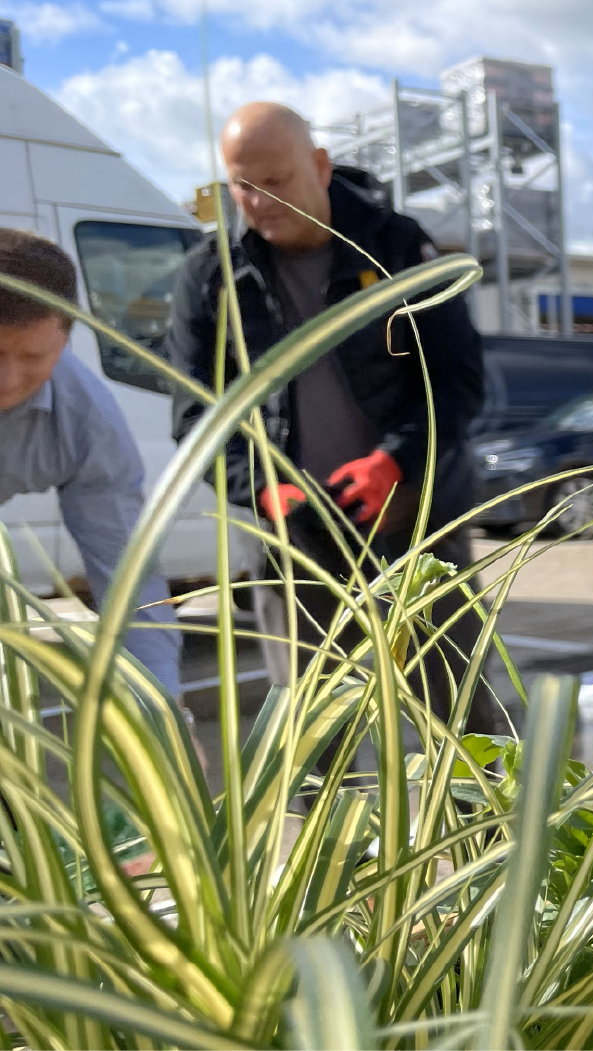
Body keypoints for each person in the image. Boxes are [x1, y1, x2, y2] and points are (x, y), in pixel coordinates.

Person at [167, 102, 502, 737]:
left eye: (276, 181)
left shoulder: (398, 246)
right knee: (312, 722)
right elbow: (195, 419)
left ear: (319, 167)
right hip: (291, 533)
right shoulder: (209, 277)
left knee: (455, 705)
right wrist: (260, 488)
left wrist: (398, 460)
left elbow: (458, 382)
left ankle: (477, 832)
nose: (258, 202)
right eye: (241, 184)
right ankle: (328, 834)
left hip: (413, 514)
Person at [0, 228, 180, 698]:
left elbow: (130, 584)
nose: (7, 380)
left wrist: (165, 721)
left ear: (65, 341)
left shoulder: (86, 419)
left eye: (32, 357)